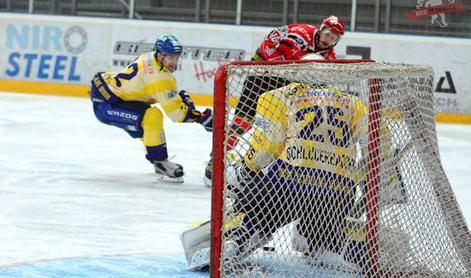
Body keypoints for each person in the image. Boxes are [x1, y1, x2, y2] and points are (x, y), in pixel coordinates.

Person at [204, 15, 346, 186]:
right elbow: (268, 42)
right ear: (321, 29)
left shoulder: (329, 59)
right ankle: (215, 160)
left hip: (283, 89)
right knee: (242, 124)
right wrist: (276, 65)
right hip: (261, 76)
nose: (329, 39)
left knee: (278, 131)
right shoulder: (300, 33)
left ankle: (261, 169)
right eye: (328, 34)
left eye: (334, 38)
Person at [90, 35, 213, 183]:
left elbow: (157, 93)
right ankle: (160, 162)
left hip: (109, 90)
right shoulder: (159, 78)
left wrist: (183, 104)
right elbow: (176, 115)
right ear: (160, 55)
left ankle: (157, 157)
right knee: (151, 117)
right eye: (170, 57)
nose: (174, 62)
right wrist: (200, 117)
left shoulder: (150, 57)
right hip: (106, 102)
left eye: (177, 57)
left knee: (146, 124)